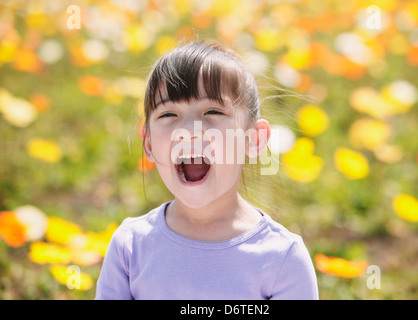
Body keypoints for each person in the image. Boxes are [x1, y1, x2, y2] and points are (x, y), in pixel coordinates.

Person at [95, 41, 318, 300]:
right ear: (149, 144)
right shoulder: (130, 247)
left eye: (213, 111)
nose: (190, 130)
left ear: (253, 139)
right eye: (168, 114)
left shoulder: (282, 258)